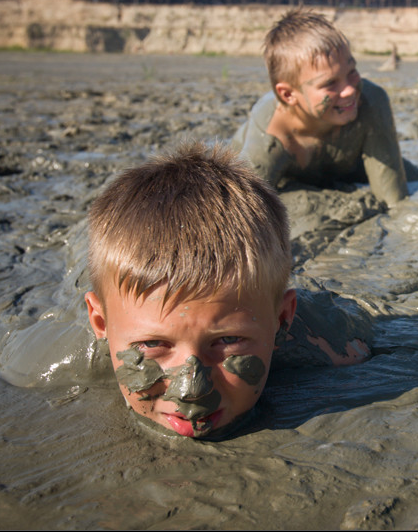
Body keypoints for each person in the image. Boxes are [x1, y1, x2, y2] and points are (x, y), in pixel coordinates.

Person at [83, 141, 372, 440]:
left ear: (282, 319)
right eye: (152, 344)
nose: (191, 390)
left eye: (228, 340)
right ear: (101, 323)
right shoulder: (51, 363)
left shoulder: (335, 345)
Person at [228, 8, 411, 208]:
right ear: (288, 95)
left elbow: (394, 202)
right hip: (287, 178)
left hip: (348, 167)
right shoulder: (272, 131)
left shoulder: (370, 100)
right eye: (330, 83)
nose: (349, 89)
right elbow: (242, 213)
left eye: (352, 71)